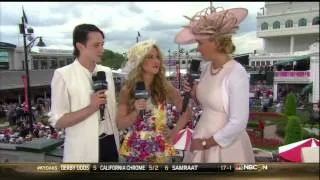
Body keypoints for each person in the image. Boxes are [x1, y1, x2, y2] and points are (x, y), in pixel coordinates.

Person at [175, 6, 255, 163]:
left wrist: (206, 143)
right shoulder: (205, 68)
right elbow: (208, 103)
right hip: (201, 134)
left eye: (200, 43)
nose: (197, 48)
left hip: (226, 145)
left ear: (216, 42)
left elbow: (239, 122)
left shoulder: (236, 73)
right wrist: (193, 93)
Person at [48, 24, 119, 163]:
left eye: (102, 44)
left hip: (110, 144)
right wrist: (91, 108)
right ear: (80, 46)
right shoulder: (63, 75)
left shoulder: (107, 72)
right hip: (82, 152)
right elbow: (57, 121)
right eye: (96, 45)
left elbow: (113, 112)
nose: (102, 49)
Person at [116, 39, 190, 163]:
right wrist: (135, 111)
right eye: (150, 57)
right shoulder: (127, 89)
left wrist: (174, 131)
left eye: (157, 57)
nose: (156, 61)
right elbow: (120, 124)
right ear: (139, 61)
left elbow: (187, 112)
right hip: (135, 150)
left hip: (160, 150)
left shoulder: (166, 87)